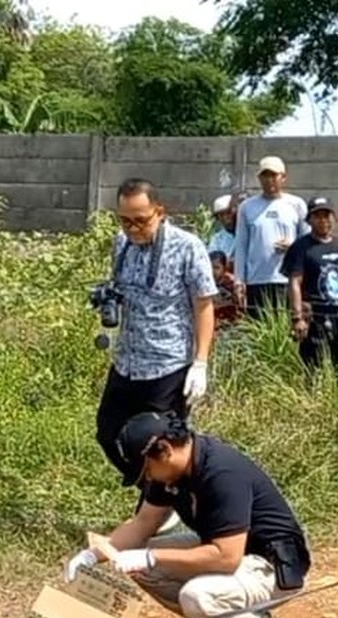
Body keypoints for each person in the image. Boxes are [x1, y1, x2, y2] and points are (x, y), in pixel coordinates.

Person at [66, 411, 311, 618]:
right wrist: (94, 555)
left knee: (196, 596)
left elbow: (227, 558)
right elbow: (143, 523)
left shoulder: (221, 473)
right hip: (228, 551)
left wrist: (152, 557)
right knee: (140, 562)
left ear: (165, 450)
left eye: (147, 469)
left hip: (272, 564)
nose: (147, 478)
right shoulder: (170, 471)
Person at [96, 178, 218, 525]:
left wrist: (201, 362)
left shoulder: (187, 246)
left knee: (159, 445)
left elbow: (204, 306)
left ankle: (157, 515)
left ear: (159, 212)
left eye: (141, 220)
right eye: (125, 220)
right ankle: (156, 496)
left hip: (168, 364)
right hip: (128, 360)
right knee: (109, 433)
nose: (133, 228)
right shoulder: (121, 243)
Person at [282, 196, 338, 383]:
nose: (323, 220)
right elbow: (295, 282)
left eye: (326, 216)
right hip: (313, 318)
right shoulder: (301, 247)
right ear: (309, 220)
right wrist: (297, 318)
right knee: (313, 373)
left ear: (334, 218)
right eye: (317, 216)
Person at [235, 156, 308, 320]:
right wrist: (239, 280)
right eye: (265, 176)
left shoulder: (296, 204)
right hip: (256, 280)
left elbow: (307, 244)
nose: (269, 181)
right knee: (259, 333)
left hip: (288, 281)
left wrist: (292, 247)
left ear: (283, 177)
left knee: (288, 329)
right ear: (259, 178)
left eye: (274, 176)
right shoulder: (247, 207)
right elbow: (241, 245)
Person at [208, 192, 247, 268]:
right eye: (221, 215)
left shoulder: (246, 233)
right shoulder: (218, 239)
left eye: (229, 213)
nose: (226, 218)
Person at [209, 250, 241, 330]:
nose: (213, 271)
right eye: (210, 267)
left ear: (224, 268)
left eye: (216, 267)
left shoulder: (230, 285)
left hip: (228, 325)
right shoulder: (206, 285)